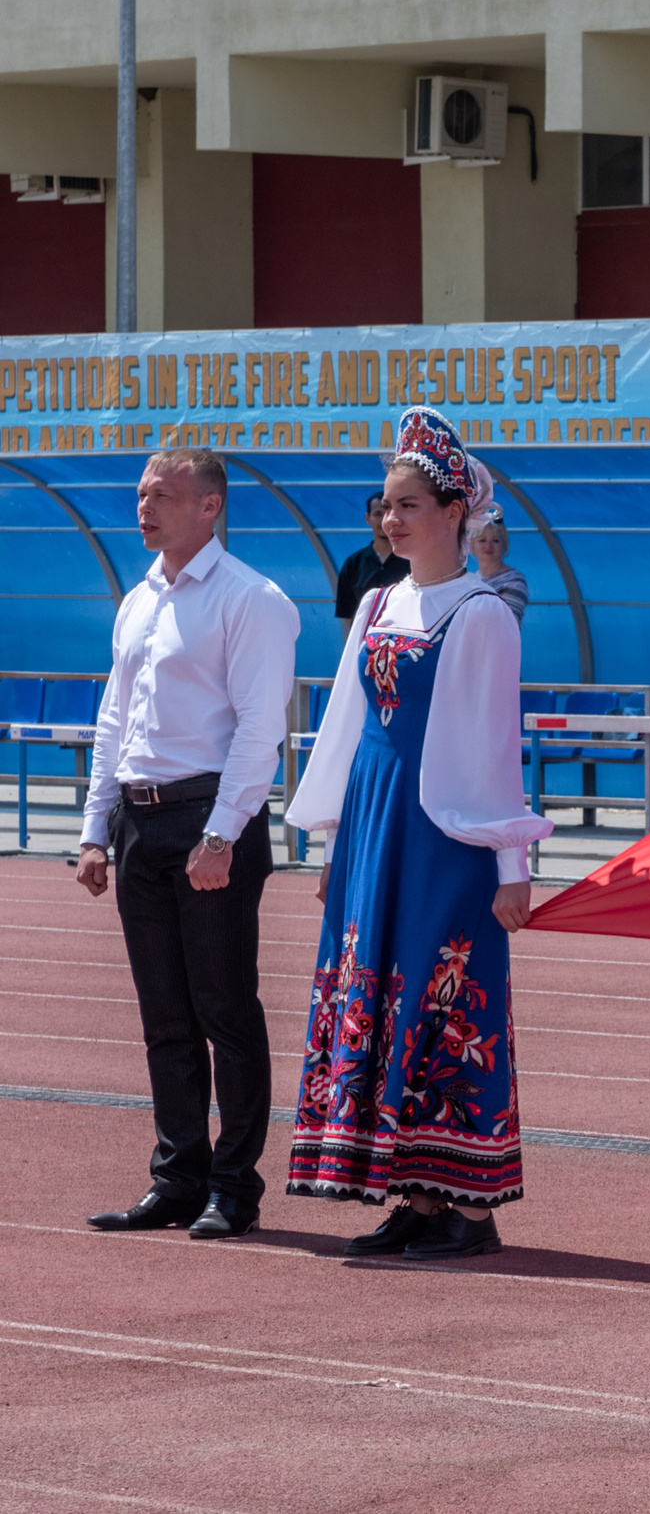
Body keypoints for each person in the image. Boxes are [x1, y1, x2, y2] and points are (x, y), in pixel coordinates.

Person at [283, 407, 552, 1262]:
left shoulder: (481, 614)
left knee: (440, 994)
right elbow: (345, 721)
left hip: (447, 831)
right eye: (385, 503)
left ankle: (468, 1206)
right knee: (380, 984)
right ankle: (413, 1194)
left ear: (452, 514)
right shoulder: (376, 602)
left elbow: (492, 748)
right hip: (375, 817)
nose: (390, 518)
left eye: (406, 504)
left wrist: (512, 861)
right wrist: (334, 842)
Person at [77, 449, 299, 1242]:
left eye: (162, 494)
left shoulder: (252, 600)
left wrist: (220, 835)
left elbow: (259, 728)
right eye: (141, 494)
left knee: (224, 1010)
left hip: (210, 819)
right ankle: (177, 1177)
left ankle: (234, 1187)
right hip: (140, 823)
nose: (144, 507)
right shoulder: (139, 598)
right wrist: (94, 828)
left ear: (210, 506)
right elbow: (114, 721)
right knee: (164, 1016)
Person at [333, 492, 410, 632]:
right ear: (367, 518)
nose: (383, 520)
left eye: (387, 512)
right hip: (365, 643)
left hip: (405, 639)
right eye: (378, 514)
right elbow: (348, 613)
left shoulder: (411, 561)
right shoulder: (353, 564)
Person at [467, 517, 529, 624]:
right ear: (471, 545)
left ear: (504, 545)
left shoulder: (514, 581)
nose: (488, 546)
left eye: (495, 541)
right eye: (482, 540)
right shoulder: (470, 581)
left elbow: (506, 623)